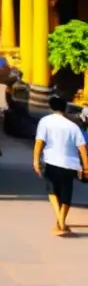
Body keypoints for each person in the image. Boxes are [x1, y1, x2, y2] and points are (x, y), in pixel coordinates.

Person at [33, 95, 88, 235]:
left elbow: (39, 142)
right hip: (70, 165)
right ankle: (61, 222)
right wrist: (86, 167)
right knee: (66, 195)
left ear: (51, 107)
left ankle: (60, 222)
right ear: (65, 109)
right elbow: (82, 149)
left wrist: (35, 161)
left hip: (51, 162)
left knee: (52, 192)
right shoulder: (73, 126)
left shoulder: (45, 121)